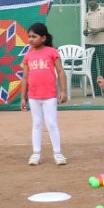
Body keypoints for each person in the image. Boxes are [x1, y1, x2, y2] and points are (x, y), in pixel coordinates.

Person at [19, 22, 67, 166]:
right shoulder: (28, 55)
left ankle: (58, 153)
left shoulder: (52, 52)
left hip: (50, 95)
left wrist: (63, 91)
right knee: (37, 123)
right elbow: (25, 77)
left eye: (34, 36)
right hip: (34, 96)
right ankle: (36, 153)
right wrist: (23, 97)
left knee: (51, 123)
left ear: (44, 38)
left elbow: (60, 71)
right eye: (29, 36)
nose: (31, 39)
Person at [83, 0, 104, 88]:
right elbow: (85, 31)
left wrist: (98, 30)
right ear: (88, 2)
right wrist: (86, 32)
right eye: (89, 0)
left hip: (101, 42)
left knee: (103, 66)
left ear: (97, 0)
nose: (92, 1)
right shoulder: (87, 15)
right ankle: (96, 90)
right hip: (89, 43)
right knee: (92, 68)